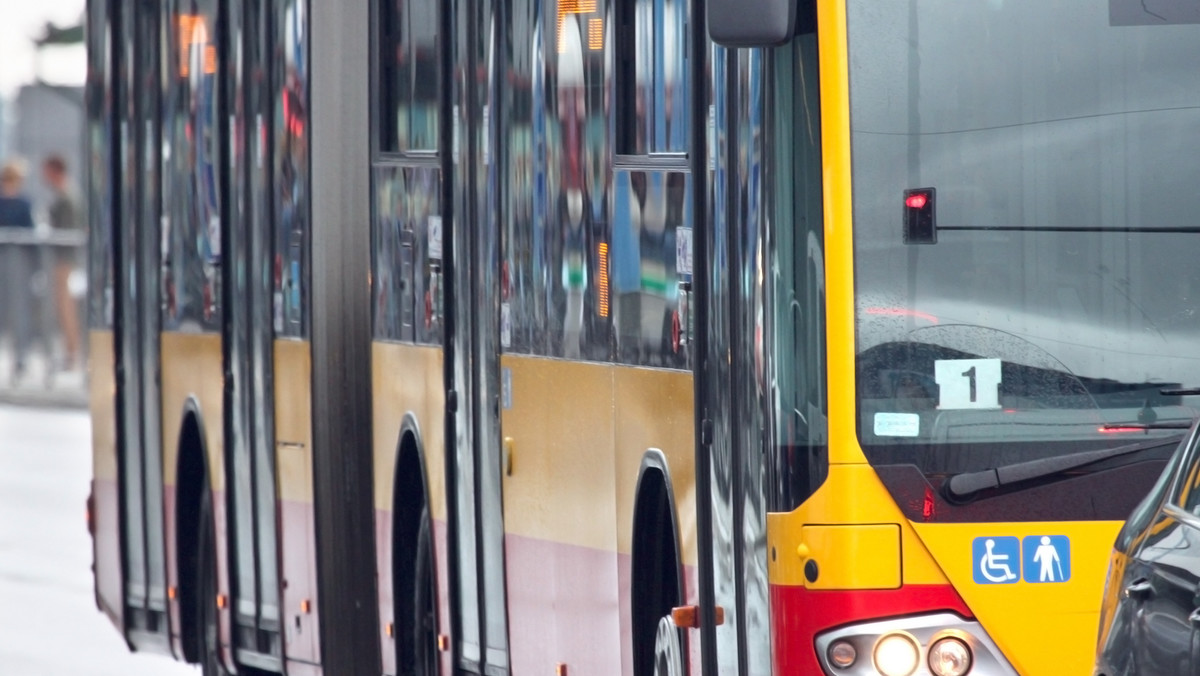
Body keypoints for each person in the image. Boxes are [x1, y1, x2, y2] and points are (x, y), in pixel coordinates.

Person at [42, 155, 82, 370]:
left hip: (66, 259)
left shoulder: (66, 195)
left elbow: (69, 227)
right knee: (63, 306)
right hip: (63, 258)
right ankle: (70, 351)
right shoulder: (63, 193)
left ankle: (72, 352)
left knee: (66, 307)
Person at [0, 159, 36, 384]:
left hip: (18, 263)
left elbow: (29, 231)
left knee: (20, 310)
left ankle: (20, 357)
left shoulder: (23, 203)